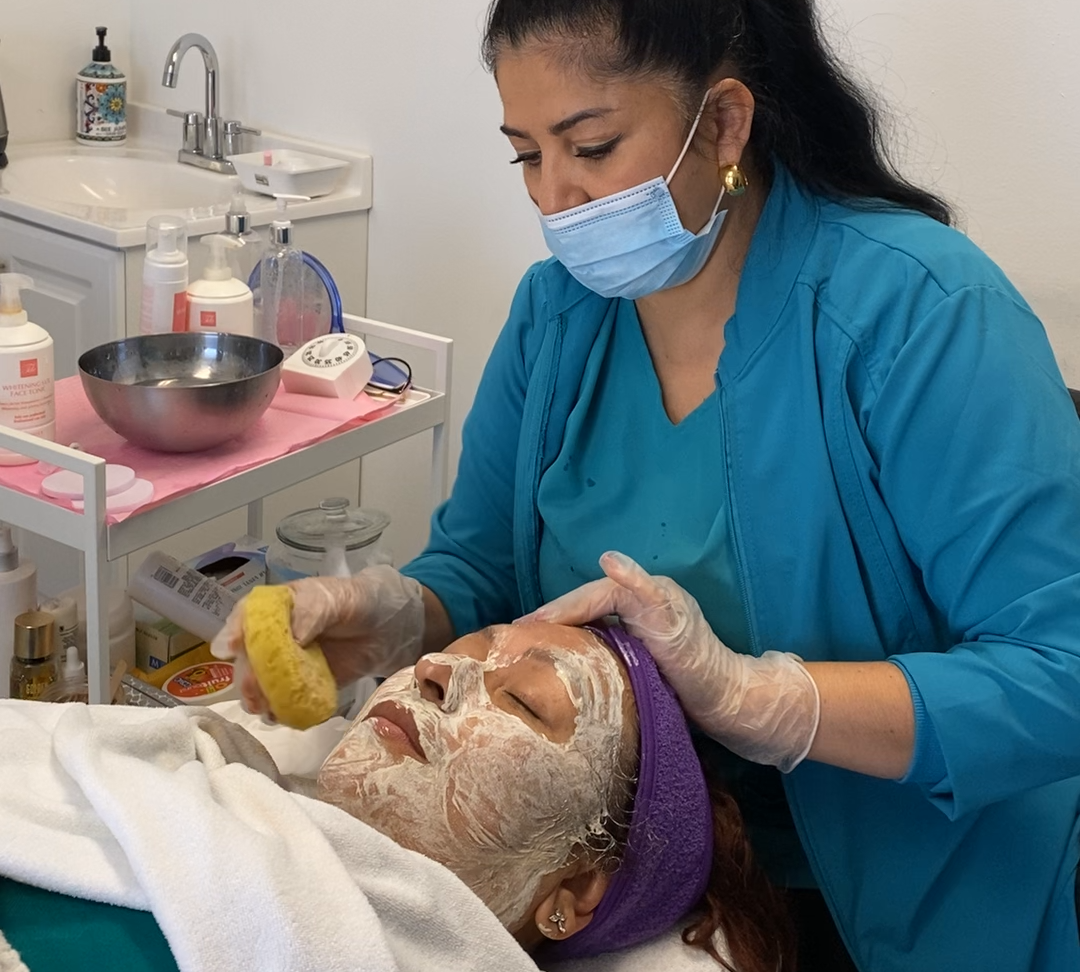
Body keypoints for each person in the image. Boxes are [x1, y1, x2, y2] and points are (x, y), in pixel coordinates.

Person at [215, 0, 1080, 968]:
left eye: (591, 147)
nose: (555, 198)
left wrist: (770, 702)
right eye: (526, 156)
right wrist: (395, 614)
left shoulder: (921, 317)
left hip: (916, 901)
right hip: (646, 898)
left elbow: (1062, 672)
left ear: (723, 123)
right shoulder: (558, 319)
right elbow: (482, 573)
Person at [0, 622, 791, 972]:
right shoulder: (190, 774)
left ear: (574, 891)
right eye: (464, 647)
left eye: (524, 702)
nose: (438, 671)